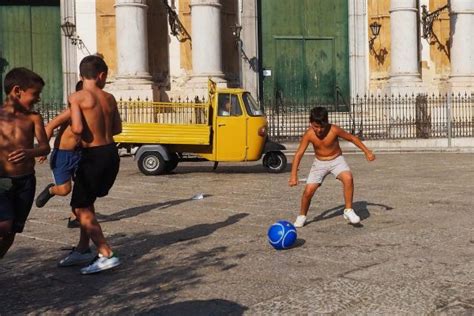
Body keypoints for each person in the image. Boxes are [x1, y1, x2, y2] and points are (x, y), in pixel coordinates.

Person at [58, 55, 122, 274]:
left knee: (79, 207)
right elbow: (117, 129)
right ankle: (83, 248)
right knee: (87, 201)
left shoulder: (77, 97)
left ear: (81, 75)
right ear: (101, 75)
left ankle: (106, 253)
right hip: (111, 152)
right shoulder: (110, 97)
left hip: (92, 155)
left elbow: (76, 128)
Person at [289, 106, 375, 228]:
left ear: (327, 123)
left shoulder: (334, 130)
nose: (319, 130)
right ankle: (302, 216)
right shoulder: (309, 134)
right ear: (311, 123)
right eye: (315, 127)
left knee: (348, 178)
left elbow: (351, 138)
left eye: (322, 127)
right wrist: (293, 175)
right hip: (319, 163)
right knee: (308, 191)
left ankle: (348, 210)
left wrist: (367, 151)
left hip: (336, 160)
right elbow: (298, 154)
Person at [0, 67, 50, 258]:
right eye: (35, 94)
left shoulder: (34, 118)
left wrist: (30, 152)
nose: (38, 99)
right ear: (17, 90)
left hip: (26, 181)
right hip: (2, 180)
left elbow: (45, 147)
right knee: (4, 225)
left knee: (11, 232)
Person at [35, 81, 83, 229]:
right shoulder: (71, 112)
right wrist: (43, 148)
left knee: (83, 186)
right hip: (63, 154)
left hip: (80, 154)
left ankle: (74, 217)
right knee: (64, 190)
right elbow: (49, 126)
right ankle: (51, 189)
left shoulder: (93, 112)